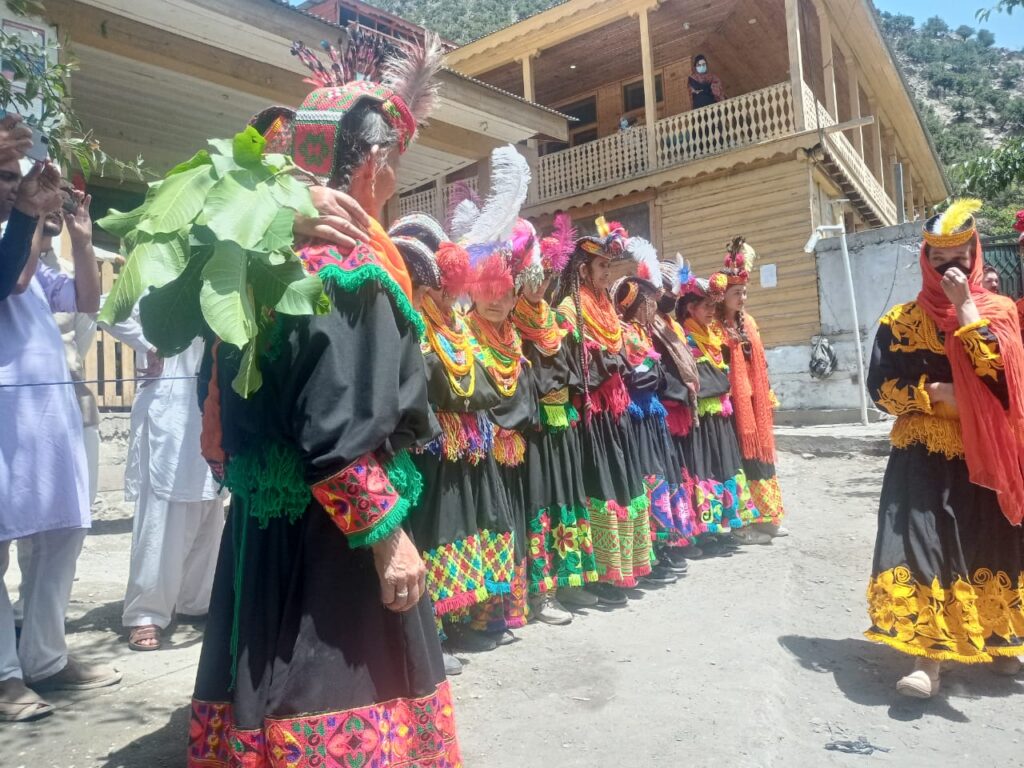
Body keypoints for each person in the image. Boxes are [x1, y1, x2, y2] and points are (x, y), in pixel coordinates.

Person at [179, 34, 463, 763]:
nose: (394, 183)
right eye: (394, 168)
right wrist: (389, 539)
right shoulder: (351, 272)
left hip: (271, 530)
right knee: (327, 693)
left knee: (268, 683)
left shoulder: (260, 260)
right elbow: (336, 433)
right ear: (373, 167)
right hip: (329, 537)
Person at [865, 199, 1024, 699]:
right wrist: (930, 397)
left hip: (985, 457)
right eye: (940, 261)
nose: (950, 269)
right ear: (925, 261)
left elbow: (1004, 382)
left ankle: (997, 637)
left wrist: (965, 310)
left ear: (975, 256)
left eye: (960, 258)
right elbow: (880, 386)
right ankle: (927, 661)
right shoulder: (899, 320)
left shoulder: (998, 312)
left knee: (984, 544)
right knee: (923, 545)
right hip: (922, 452)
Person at [1, 177, 122, 723]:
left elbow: (87, 300)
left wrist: (79, 235)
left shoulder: (29, 241)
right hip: (6, 413)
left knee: (62, 534)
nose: (18, 188)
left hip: (47, 417)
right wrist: (29, 219)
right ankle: (4, 676)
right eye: (7, 178)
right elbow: (11, 278)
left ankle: (46, 658)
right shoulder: (14, 241)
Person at [388, 212, 517, 664]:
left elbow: (474, 383)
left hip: (470, 445)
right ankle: (433, 633)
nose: (448, 292)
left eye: (451, 283)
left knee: (474, 528)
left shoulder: (456, 325)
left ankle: (470, 619)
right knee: (437, 532)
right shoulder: (416, 324)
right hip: (435, 446)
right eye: (442, 283)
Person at [99, 296, 225, 652]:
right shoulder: (160, 276)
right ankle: (146, 613)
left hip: (211, 408)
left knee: (208, 509)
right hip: (168, 413)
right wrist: (148, 344)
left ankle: (195, 601)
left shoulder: (216, 274)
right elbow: (106, 308)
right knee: (161, 517)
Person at [557, 218, 653, 606]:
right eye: (601, 267)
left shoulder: (604, 306)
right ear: (583, 269)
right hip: (593, 415)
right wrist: (612, 360)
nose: (608, 272)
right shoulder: (568, 309)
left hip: (617, 411)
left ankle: (624, 569)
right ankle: (602, 572)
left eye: (610, 267)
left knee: (624, 482)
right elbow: (579, 367)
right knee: (602, 486)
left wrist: (623, 355)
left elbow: (622, 350)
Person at [512, 214, 601, 615]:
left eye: (547, 277)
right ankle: (540, 591)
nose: (541, 285)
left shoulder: (556, 321)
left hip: (562, 424)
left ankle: (568, 582)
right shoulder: (513, 323)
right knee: (541, 501)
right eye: (535, 276)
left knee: (567, 497)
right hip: (534, 430)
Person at [612, 241, 689, 584]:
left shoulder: (642, 334)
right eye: (647, 304)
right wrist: (648, 374)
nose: (652, 310)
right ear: (634, 305)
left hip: (652, 417)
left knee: (663, 476)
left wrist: (650, 374)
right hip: (636, 418)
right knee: (649, 480)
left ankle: (666, 543)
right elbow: (638, 377)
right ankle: (651, 553)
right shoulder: (623, 334)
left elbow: (652, 376)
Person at [677, 272, 766, 548]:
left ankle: (725, 526)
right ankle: (705, 531)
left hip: (721, 416)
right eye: (705, 306)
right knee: (705, 470)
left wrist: (719, 382)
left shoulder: (713, 335)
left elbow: (719, 377)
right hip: (701, 419)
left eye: (713, 307)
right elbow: (704, 380)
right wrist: (718, 382)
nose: (711, 312)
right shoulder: (686, 337)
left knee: (725, 467)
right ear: (691, 308)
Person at [712, 238, 787, 538]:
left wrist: (766, 394)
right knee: (742, 461)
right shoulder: (716, 328)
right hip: (732, 404)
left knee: (761, 459)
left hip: (755, 402)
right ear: (723, 296)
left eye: (744, 293)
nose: (742, 298)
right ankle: (743, 522)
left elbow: (761, 363)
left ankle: (768, 516)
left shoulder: (750, 323)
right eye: (736, 293)